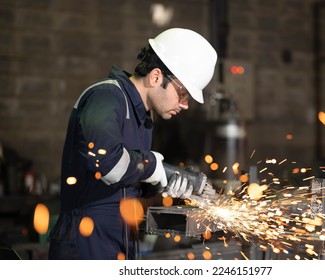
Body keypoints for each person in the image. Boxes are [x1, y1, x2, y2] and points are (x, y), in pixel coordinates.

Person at [48, 28, 217, 260]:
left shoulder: (144, 117)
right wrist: (157, 168)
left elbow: (132, 177)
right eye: (183, 93)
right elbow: (109, 164)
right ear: (156, 77)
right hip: (85, 242)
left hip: (120, 239)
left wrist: (165, 181)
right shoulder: (106, 98)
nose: (185, 104)